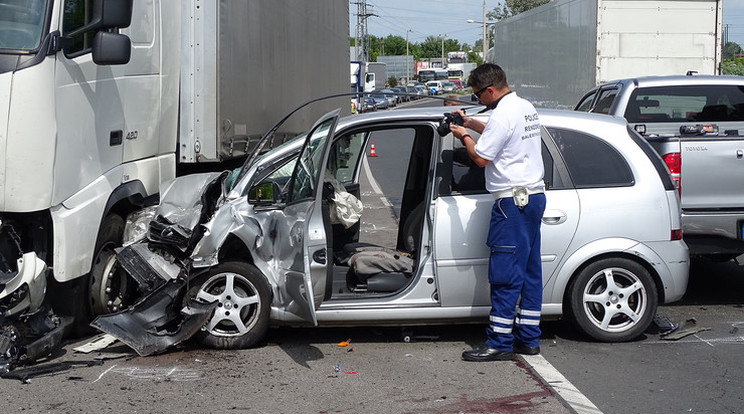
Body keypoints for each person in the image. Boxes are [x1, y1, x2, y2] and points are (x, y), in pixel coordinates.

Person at [448, 63, 546, 362]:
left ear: (490, 90)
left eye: (477, 95)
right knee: (530, 272)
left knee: (504, 276)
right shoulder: (523, 106)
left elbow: (479, 158)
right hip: (533, 197)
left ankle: (500, 342)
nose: (476, 100)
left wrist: (462, 135)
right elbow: (498, 130)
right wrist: (469, 123)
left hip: (511, 204)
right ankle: (529, 339)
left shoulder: (503, 114)